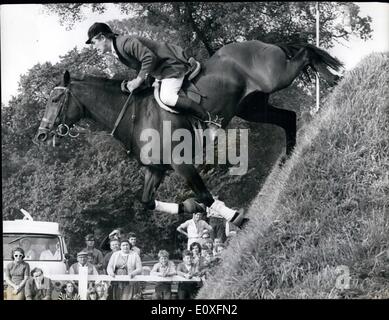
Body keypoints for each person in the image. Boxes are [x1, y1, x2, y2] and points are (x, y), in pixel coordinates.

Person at [85, 22, 222, 136]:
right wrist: (135, 82)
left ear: (102, 37)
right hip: (158, 71)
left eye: (94, 42)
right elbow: (142, 65)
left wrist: (138, 80)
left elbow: (149, 58)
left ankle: (211, 121)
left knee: (167, 97)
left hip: (169, 65)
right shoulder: (117, 49)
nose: (94, 47)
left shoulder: (125, 43)